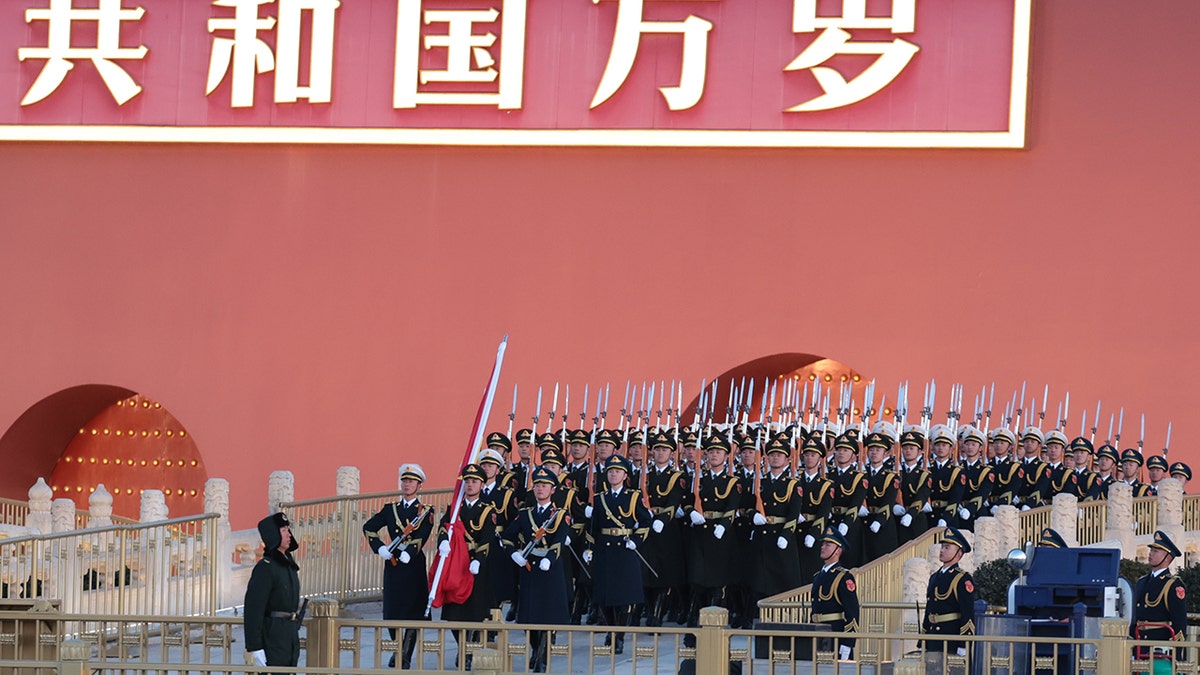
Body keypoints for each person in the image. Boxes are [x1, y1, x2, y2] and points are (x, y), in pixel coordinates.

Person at [363, 463, 435, 669]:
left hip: (412, 564)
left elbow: (423, 534)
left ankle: (406, 654)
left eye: (411, 481)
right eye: (404, 480)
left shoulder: (425, 511)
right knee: (393, 610)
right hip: (394, 563)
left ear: (419, 485)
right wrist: (379, 548)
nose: (406, 484)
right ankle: (397, 648)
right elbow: (368, 528)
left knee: (413, 610)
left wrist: (410, 552)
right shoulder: (390, 509)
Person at [500, 467, 570, 673]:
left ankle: (542, 657)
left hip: (550, 569)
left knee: (548, 616)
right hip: (530, 568)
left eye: (544, 486)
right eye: (537, 485)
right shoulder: (525, 514)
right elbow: (507, 536)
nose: (540, 489)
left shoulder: (559, 515)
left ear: (553, 490)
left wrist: (549, 558)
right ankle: (535, 650)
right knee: (529, 616)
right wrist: (514, 553)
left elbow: (559, 540)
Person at [584, 454, 653, 653]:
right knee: (605, 597)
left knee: (624, 597)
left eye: (617, 472)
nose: (613, 474)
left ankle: (620, 636)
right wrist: (588, 549)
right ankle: (611, 630)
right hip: (605, 550)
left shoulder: (633, 496)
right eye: (610, 471)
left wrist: (636, 540)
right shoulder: (600, 498)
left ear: (624, 475)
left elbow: (645, 521)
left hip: (625, 549)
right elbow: (593, 528)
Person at [436, 463, 498, 671]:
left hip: (475, 564)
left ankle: (469, 651)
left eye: (474, 481)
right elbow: (444, 527)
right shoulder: (455, 508)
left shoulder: (487, 509)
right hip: (457, 564)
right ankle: (462, 646)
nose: (470, 485)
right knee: (454, 612)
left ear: (481, 484)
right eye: (467, 481)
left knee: (474, 612)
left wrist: (479, 559)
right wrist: (442, 540)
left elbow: (488, 537)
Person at [243, 512, 301, 672]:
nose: (289, 534)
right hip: (273, 635)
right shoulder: (266, 567)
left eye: (288, 529)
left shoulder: (288, 565)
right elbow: (253, 609)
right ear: (273, 534)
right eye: (283, 530)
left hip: (288, 634)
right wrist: (255, 646)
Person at [1131, 530, 1187, 658]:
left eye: (1155, 551)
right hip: (1139, 647)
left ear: (1167, 558)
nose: (1150, 554)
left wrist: (1175, 655)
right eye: (1151, 550)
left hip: (1159, 650)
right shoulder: (1142, 581)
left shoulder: (1173, 585)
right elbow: (1134, 618)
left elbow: (1179, 624)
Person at [923, 527, 976, 657]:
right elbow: (929, 609)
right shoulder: (934, 576)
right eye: (942, 547)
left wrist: (964, 644)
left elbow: (967, 613)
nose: (942, 550)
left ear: (959, 553)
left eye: (947, 547)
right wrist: (922, 641)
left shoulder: (962, 578)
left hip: (951, 638)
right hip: (933, 636)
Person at [810, 526, 860, 660]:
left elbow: (853, 612)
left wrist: (847, 643)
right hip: (816, 632)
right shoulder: (818, 576)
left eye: (828, 544)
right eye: (823, 544)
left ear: (838, 550)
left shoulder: (844, 577)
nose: (823, 547)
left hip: (834, 634)